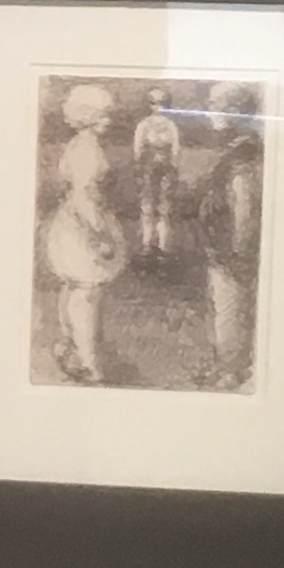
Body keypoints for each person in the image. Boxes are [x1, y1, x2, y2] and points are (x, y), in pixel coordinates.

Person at [39, 82, 129, 383]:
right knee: (86, 295)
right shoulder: (88, 151)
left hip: (70, 224)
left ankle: (70, 349)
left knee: (73, 289)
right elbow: (84, 197)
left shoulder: (77, 145)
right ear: (87, 117)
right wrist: (100, 235)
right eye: (103, 115)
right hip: (83, 227)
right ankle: (89, 364)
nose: (109, 121)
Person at [195, 85, 264, 388]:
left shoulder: (243, 155)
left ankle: (231, 370)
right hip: (222, 248)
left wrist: (237, 250)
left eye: (214, 106)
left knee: (230, 308)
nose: (209, 111)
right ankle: (224, 364)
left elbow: (244, 206)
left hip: (231, 251)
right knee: (222, 306)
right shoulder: (237, 149)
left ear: (234, 112)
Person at [130, 91, 184, 259]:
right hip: (147, 170)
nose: (158, 107)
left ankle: (162, 245)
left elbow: (176, 149)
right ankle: (147, 243)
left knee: (164, 208)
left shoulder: (171, 125)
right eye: (154, 103)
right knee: (147, 207)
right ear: (149, 105)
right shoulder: (143, 125)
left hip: (166, 170)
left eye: (162, 104)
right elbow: (137, 148)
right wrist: (138, 166)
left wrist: (173, 167)